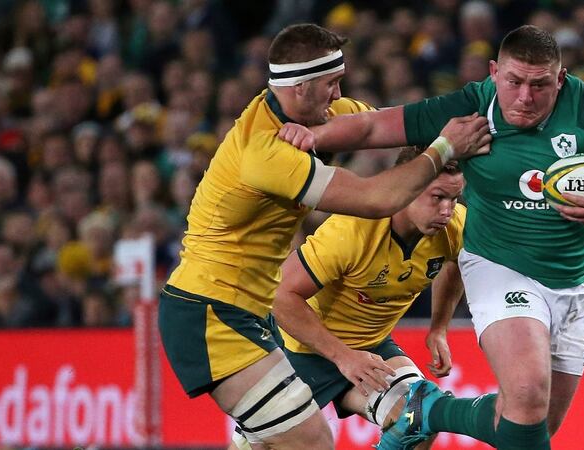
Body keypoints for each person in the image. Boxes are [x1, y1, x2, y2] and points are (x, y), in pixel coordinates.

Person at [278, 25, 584, 450]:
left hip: (576, 282)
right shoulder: (472, 108)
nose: (525, 97)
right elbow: (374, 128)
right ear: (494, 72)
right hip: (501, 266)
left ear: (561, 78)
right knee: (528, 394)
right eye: (514, 82)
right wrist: (314, 135)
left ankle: (423, 415)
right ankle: (429, 409)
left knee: (533, 426)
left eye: (540, 85)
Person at [157, 23, 490, 450]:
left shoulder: (309, 120)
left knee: (288, 441)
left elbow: (380, 125)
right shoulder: (265, 152)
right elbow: (374, 198)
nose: (338, 95)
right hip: (210, 309)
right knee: (312, 440)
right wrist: (444, 147)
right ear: (300, 88)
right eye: (331, 84)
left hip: (248, 311)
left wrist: (484, 111)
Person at [230, 147, 467, 449]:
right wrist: (343, 357)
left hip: (370, 349)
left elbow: (454, 262)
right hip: (300, 353)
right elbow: (280, 296)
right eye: (437, 197)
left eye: (454, 198)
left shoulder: (454, 226)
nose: (447, 210)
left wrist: (439, 328)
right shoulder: (352, 230)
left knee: (419, 416)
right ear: (407, 188)